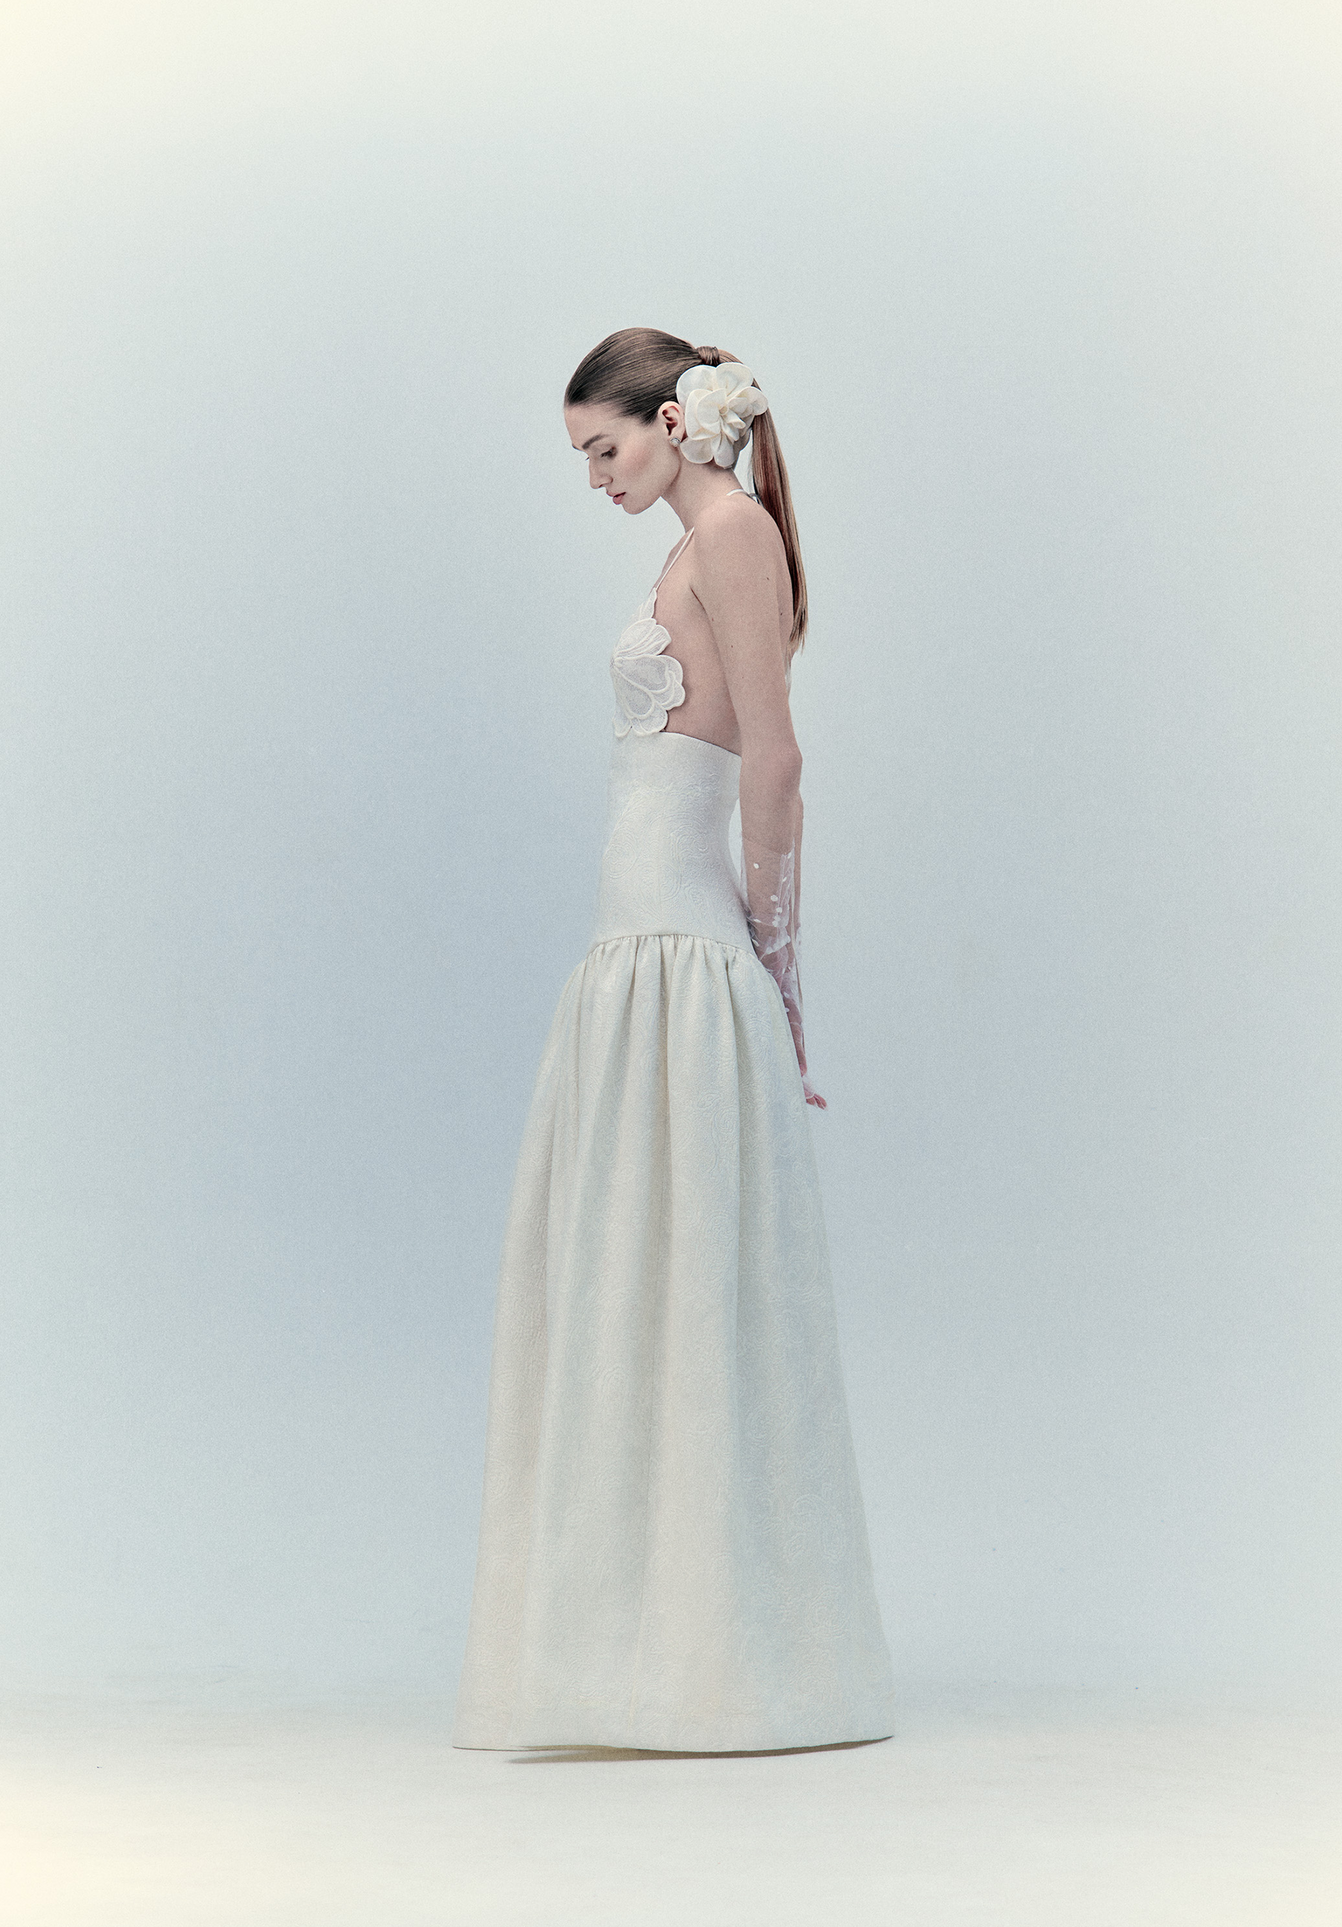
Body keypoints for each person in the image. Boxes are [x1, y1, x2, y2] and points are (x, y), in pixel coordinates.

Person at [452, 329, 894, 1753]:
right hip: (631, 961)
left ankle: (719, 1665)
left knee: (686, 1291)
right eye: (584, 456)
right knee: (628, 1294)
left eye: (605, 448)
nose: (594, 479)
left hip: (689, 959)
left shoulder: (734, 535)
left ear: (672, 420)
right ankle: (633, 1654)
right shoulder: (695, 538)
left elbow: (774, 757)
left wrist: (779, 965)